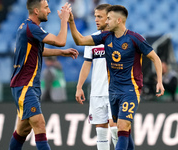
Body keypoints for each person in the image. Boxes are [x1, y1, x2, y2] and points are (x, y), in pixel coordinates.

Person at [69, 5, 164, 150]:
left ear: (118, 20)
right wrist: (71, 22)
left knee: (121, 126)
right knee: (123, 130)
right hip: (112, 90)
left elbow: (155, 58)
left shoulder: (134, 38)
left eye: (108, 18)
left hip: (130, 89)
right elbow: (80, 41)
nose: (106, 22)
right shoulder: (105, 37)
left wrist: (160, 81)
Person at [9, 1, 78, 150]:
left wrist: (62, 52)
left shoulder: (28, 28)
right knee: (39, 123)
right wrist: (64, 19)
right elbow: (61, 41)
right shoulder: (31, 28)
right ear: (36, 10)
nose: (49, 11)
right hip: (25, 85)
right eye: (46, 8)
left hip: (28, 85)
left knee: (22, 130)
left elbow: (38, 51)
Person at [75, 4, 118, 150]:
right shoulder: (92, 40)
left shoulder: (119, 38)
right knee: (100, 131)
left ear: (108, 18)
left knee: (115, 129)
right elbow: (87, 64)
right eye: (95, 16)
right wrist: (79, 86)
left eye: (99, 16)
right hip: (97, 92)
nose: (96, 20)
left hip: (115, 91)